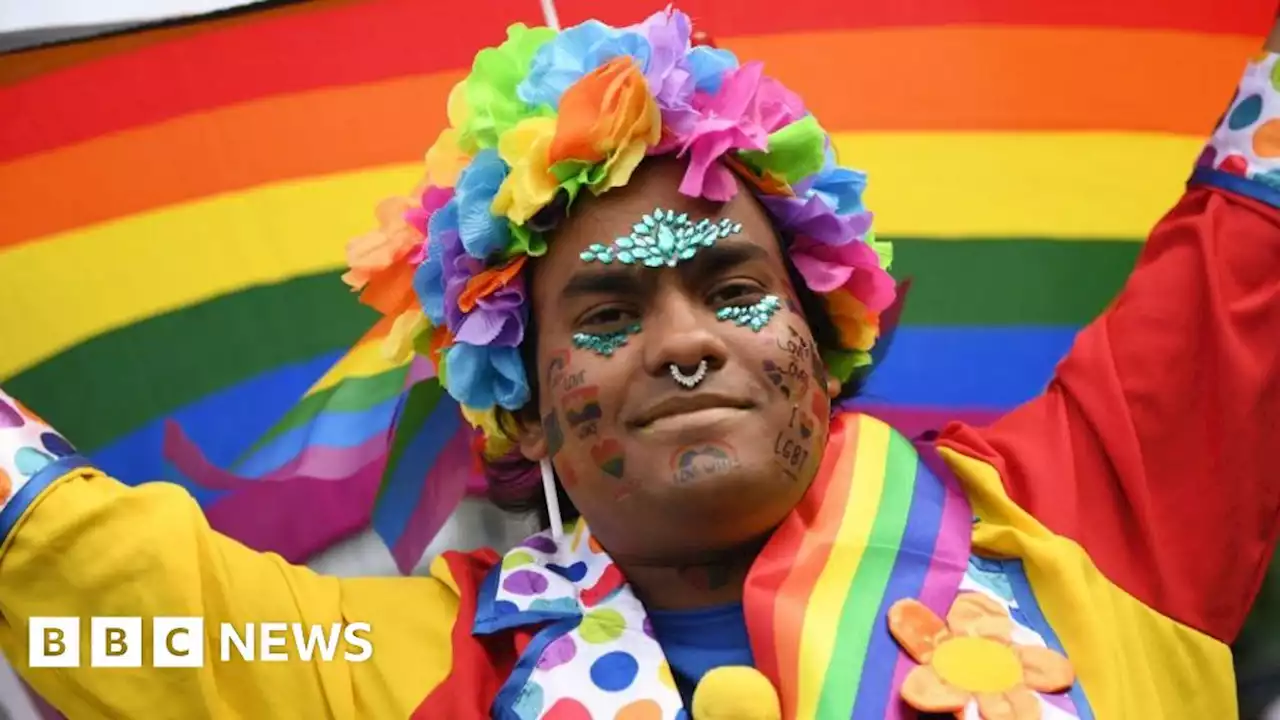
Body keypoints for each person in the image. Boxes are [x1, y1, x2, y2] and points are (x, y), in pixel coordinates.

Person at [1, 8, 1278, 720]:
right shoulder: (409, 673)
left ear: (824, 344)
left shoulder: (1072, 513)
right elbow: (108, 602)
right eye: (604, 315)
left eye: (733, 290)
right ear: (527, 415)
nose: (682, 341)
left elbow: (1251, 256)